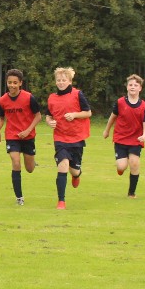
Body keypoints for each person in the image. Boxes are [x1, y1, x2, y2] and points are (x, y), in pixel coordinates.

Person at [44, 67, 93, 210]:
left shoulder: (78, 94)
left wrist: (75, 115)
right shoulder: (52, 98)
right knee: (63, 165)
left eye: (64, 80)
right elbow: (48, 115)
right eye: (58, 80)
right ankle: (61, 201)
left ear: (70, 81)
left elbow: (88, 113)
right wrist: (49, 122)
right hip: (60, 138)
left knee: (74, 170)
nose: (61, 82)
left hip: (77, 138)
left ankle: (76, 175)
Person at [0, 69, 43, 205]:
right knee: (15, 162)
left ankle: (32, 161)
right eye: (10, 82)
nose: (12, 85)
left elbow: (38, 116)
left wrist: (28, 130)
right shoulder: (2, 100)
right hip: (12, 136)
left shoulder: (29, 98)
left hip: (28, 136)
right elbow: (1, 118)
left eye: (15, 83)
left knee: (30, 169)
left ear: (20, 83)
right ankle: (19, 197)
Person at [102, 74, 145, 199]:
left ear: (140, 88)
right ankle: (120, 168)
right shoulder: (120, 102)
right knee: (121, 166)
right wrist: (107, 130)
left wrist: (144, 135)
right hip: (121, 138)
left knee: (134, 163)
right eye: (130, 85)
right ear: (127, 87)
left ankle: (131, 193)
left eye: (136, 85)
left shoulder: (144, 106)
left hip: (136, 139)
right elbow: (113, 117)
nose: (133, 87)